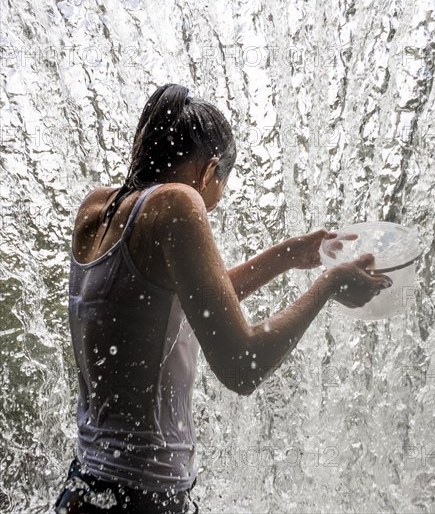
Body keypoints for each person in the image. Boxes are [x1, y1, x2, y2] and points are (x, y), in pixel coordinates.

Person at [54, 84, 392, 513]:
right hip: (142, 496)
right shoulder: (179, 202)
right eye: (221, 186)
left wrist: (287, 255)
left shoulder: (98, 209)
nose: (215, 202)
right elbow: (241, 367)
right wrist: (327, 286)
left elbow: (181, 307)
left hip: (84, 487)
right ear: (209, 171)